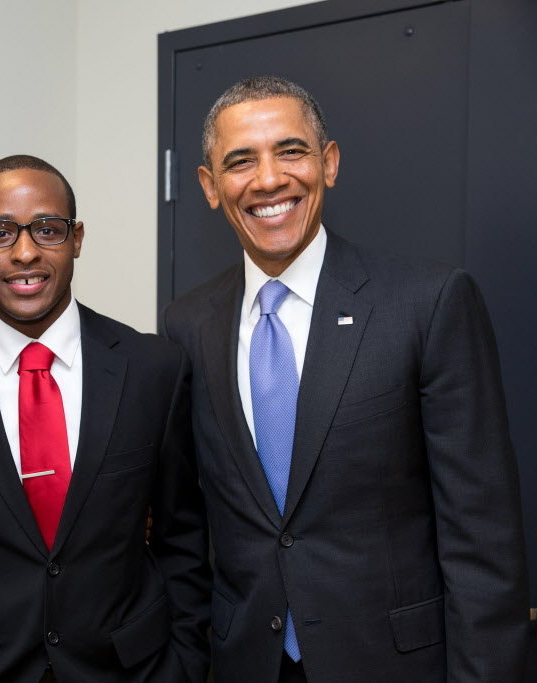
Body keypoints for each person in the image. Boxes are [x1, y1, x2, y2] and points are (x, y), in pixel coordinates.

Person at [161, 76, 529, 683]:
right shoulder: (186, 325)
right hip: (245, 662)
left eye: (292, 151)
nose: (270, 179)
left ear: (328, 163)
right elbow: (188, 525)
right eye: (241, 161)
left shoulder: (428, 303)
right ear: (209, 186)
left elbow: (483, 540)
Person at [0, 155, 211, 683]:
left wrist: (185, 666)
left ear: (77, 237)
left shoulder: (154, 371)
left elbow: (183, 538)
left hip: (132, 669)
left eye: (47, 229)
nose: (25, 252)